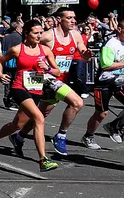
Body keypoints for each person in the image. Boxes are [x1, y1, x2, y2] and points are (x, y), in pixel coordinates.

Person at [0, 19, 60, 172]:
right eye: (35, 33)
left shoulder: (45, 50)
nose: (39, 36)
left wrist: (48, 68)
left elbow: (57, 72)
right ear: (26, 33)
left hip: (36, 90)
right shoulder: (17, 49)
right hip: (19, 88)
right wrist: (0, 74)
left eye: (41, 33)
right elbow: (0, 61)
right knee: (39, 118)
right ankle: (43, 160)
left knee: (17, 125)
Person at [82, 18, 124, 149]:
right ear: (119, 30)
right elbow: (106, 65)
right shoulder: (110, 45)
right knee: (101, 113)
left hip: (120, 81)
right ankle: (88, 136)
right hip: (104, 82)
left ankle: (114, 126)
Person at [38, 8, 89, 156]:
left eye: (74, 17)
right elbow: (27, 45)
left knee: (40, 115)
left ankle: (19, 136)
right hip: (47, 78)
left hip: (61, 78)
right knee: (77, 102)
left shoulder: (76, 35)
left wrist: (87, 55)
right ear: (59, 20)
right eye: (69, 18)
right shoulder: (48, 36)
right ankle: (60, 136)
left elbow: (83, 53)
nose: (73, 21)